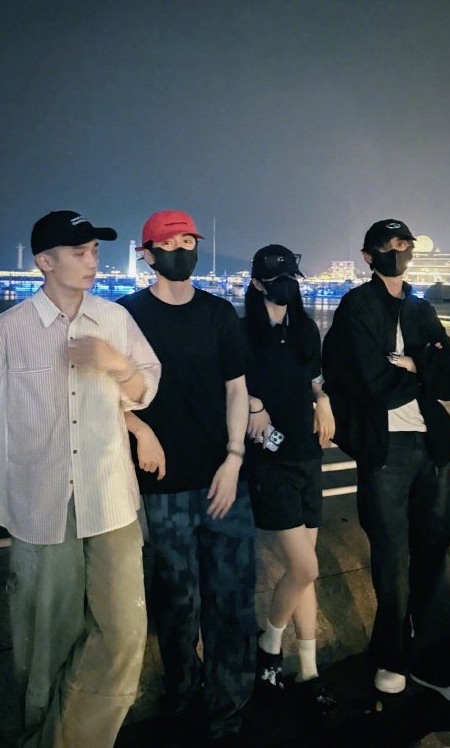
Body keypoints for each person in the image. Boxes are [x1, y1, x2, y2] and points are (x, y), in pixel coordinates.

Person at [0, 210, 162, 748]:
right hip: (41, 504)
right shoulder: (7, 331)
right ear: (45, 262)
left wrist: (116, 364)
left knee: (124, 632)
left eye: (95, 251)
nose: (92, 262)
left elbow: (145, 387)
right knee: (46, 640)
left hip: (110, 495)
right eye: (79, 252)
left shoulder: (114, 320)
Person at [322, 219, 450, 708]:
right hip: (384, 448)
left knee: (436, 554)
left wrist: (411, 364)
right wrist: (423, 368)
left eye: (405, 244)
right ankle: (391, 658)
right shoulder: (356, 306)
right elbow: (369, 380)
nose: (401, 251)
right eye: (391, 245)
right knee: (392, 558)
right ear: (369, 256)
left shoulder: (421, 308)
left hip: (431, 446)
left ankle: (439, 665)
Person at [118, 209, 257, 743]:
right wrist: (137, 428)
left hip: (224, 479)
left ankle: (230, 711)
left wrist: (234, 458)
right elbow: (101, 391)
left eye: (187, 242)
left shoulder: (219, 313)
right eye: (169, 243)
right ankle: (182, 695)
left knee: (233, 599)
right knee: (177, 602)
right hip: (162, 485)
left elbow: (237, 389)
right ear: (147, 254)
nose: (181, 251)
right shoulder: (125, 315)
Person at [242, 245, 337, 711]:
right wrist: (254, 404)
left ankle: (309, 670)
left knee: (306, 573)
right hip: (268, 460)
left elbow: (314, 378)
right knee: (305, 568)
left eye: (291, 278)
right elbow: (228, 382)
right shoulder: (242, 331)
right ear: (257, 282)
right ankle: (269, 646)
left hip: (306, 454)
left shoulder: (304, 328)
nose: (286, 287)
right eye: (276, 279)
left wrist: (324, 400)